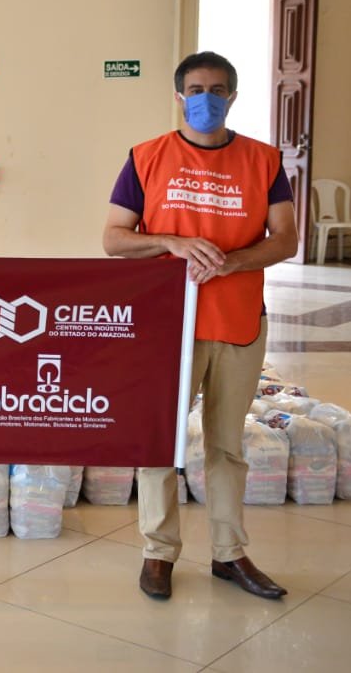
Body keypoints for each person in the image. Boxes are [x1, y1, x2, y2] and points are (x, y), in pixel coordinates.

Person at [102, 52, 298, 601]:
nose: (205, 99)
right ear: (178, 96)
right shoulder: (146, 157)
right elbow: (114, 239)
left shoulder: (263, 160)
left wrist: (233, 262)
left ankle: (229, 553)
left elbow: (286, 238)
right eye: (195, 89)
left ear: (232, 97)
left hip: (238, 321)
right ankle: (158, 552)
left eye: (216, 90)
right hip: (169, 326)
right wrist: (171, 241)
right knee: (159, 443)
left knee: (227, 446)